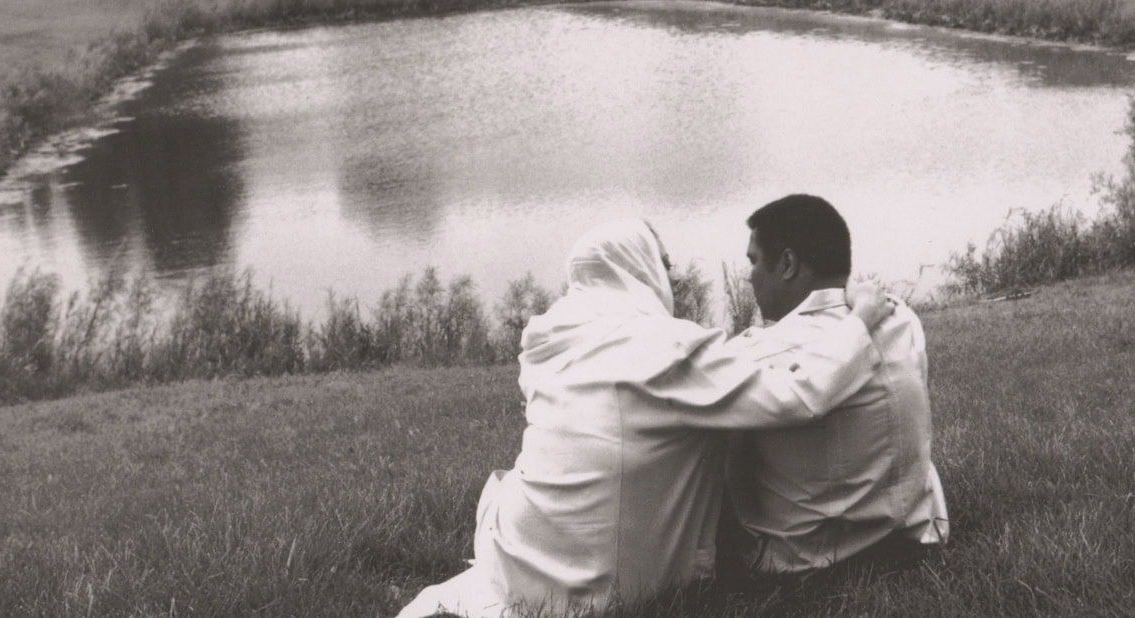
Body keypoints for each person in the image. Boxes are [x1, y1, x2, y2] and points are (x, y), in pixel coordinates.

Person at [395, 219, 895, 618]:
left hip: (522, 553)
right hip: (600, 586)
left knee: (508, 487)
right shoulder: (665, 350)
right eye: (666, 266)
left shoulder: (550, 341)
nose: (672, 280)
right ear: (641, 269)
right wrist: (860, 320)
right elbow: (798, 396)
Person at [722, 194, 949, 578]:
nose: (749, 277)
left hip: (804, 560)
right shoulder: (902, 320)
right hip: (912, 538)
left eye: (754, 261)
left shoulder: (755, 353)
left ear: (788, 264)